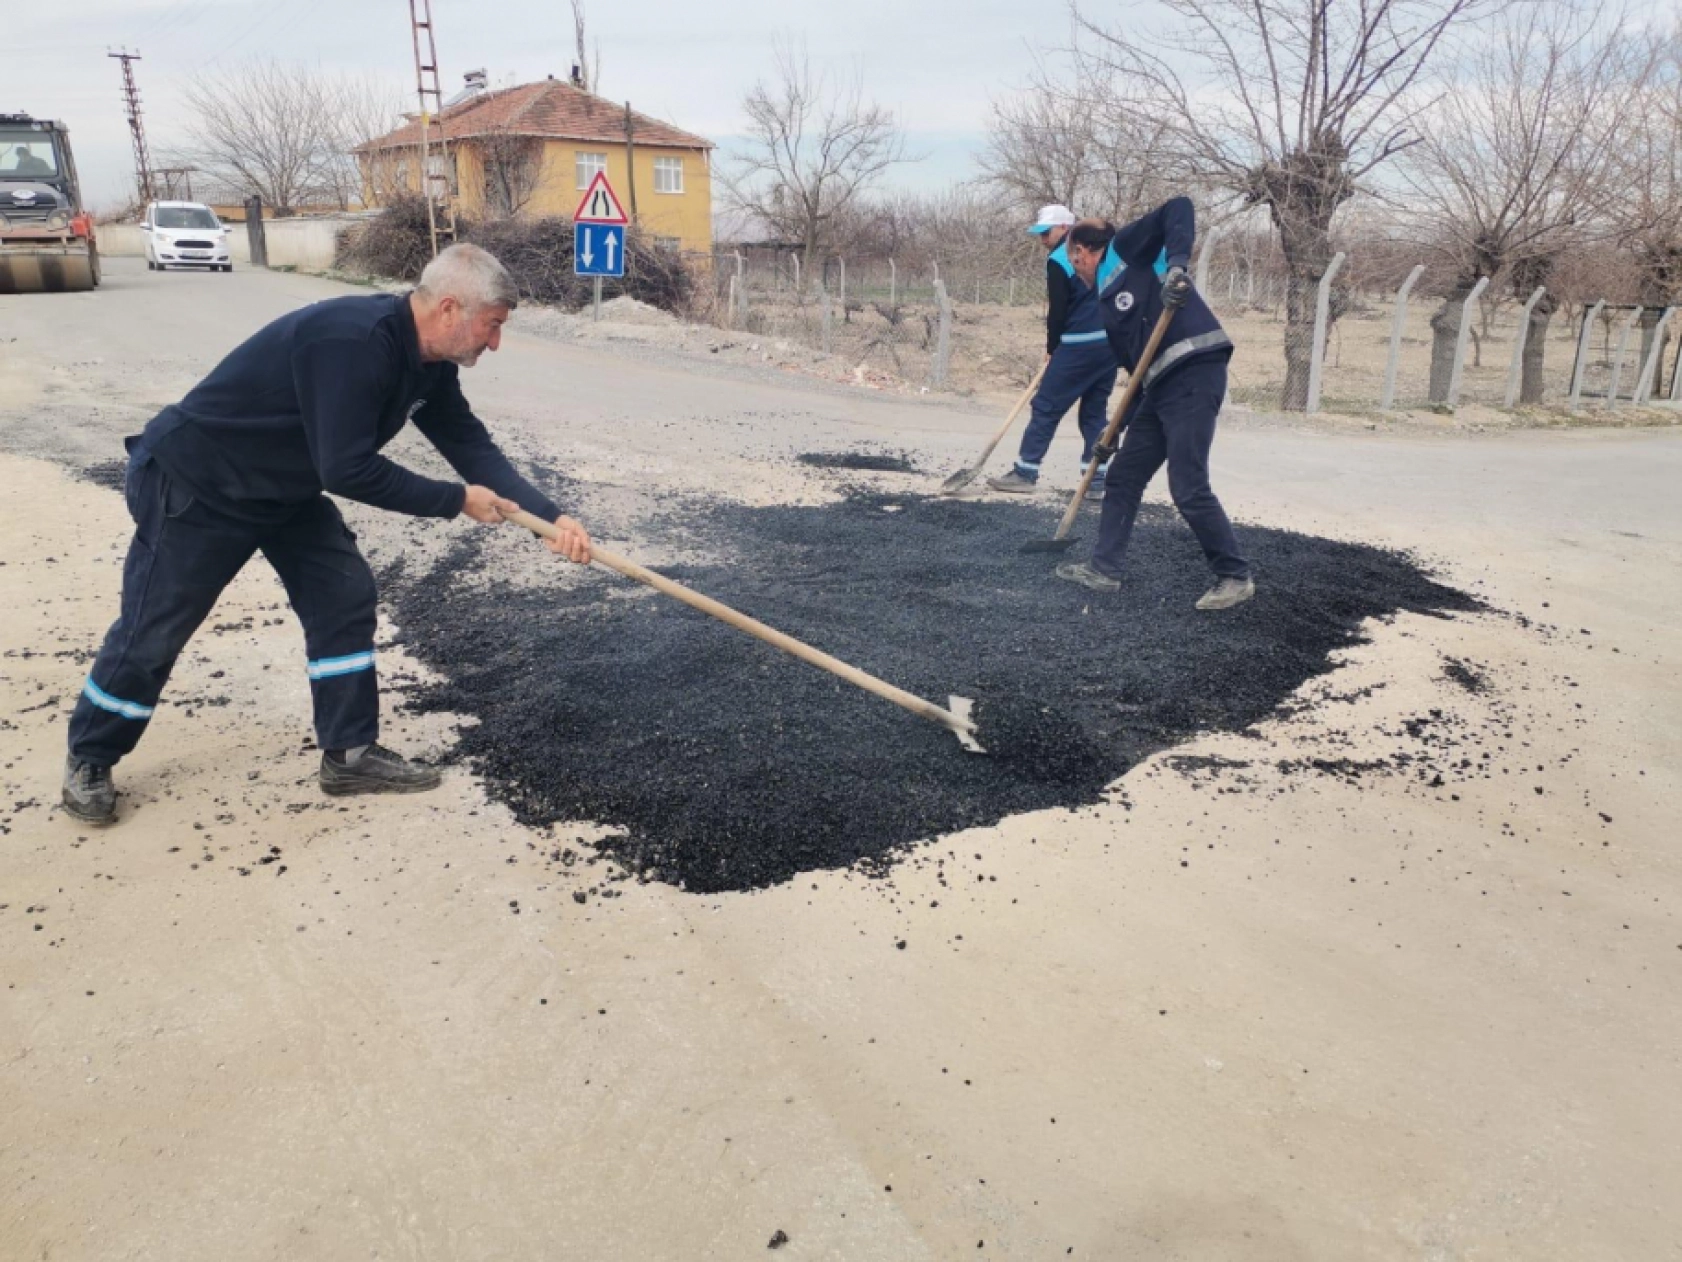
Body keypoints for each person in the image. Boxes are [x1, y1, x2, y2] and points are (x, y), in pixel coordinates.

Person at [62, 244, 593, 825]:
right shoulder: (353, 341)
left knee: (342, 594)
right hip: (199, 481)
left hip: (281, 488)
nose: (495, 342)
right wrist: (454, 500)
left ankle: (349, 754)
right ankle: (90, 756)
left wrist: (550, 519)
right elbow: (346, 469)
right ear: (449, 309)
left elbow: (467, 442)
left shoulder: (430, 364)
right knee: (156, 626)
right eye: (492, 325)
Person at [1051, 202, 1255, 612]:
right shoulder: (1108, 306)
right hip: (1160, 384)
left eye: (1075, 259)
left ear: (1086, 252)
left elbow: (1178, 208)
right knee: (1123, 476)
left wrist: (1177, 269)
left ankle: (1234, 576)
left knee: (1187, 484)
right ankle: (1104, 570)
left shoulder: (1124, 250)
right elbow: (1138, 378)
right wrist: (1114, 430)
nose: (1075, 268)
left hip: (1194, 370)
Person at [987, 203, 1117, 499]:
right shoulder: (1103, 252)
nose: (1043, 239)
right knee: (1094, 412)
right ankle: (1096, 479)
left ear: (1065, 228)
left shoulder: (1061, 258)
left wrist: (1052, 347)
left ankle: (1025, 472)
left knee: (1046, 406)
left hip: (1078, 344)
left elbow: (1058, 310)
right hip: (1109, 344)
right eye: (1040, 233)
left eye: (1047, 232)